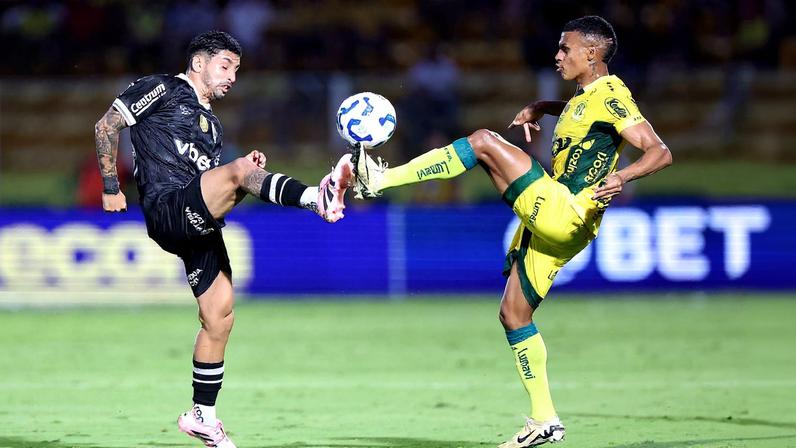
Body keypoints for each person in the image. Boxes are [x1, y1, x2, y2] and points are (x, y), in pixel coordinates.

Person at [346, 16, 672, 447]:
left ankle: (379, 180)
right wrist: (544, 107)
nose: (557, 55)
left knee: (483, 141)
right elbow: (585, 115)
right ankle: (544, 420)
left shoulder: (612, 96)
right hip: (566, 224)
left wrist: (623, 176)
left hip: (566, 210)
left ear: (592, 53)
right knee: (514, 315)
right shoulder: (586, 95)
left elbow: (660, 151)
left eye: (565, 48)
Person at [93, 31, 353, 448]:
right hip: (166, 206)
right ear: (199, 63)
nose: (232, 76)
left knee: (220, 315)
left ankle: (203, 417)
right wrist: (110, 186)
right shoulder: (162, 87)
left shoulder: (212, 126)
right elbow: (106, 126)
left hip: (196, 221)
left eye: (236, 70)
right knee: (237, 172)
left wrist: (246, 174)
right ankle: (314, 197)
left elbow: (210, 186)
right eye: (225, 65)